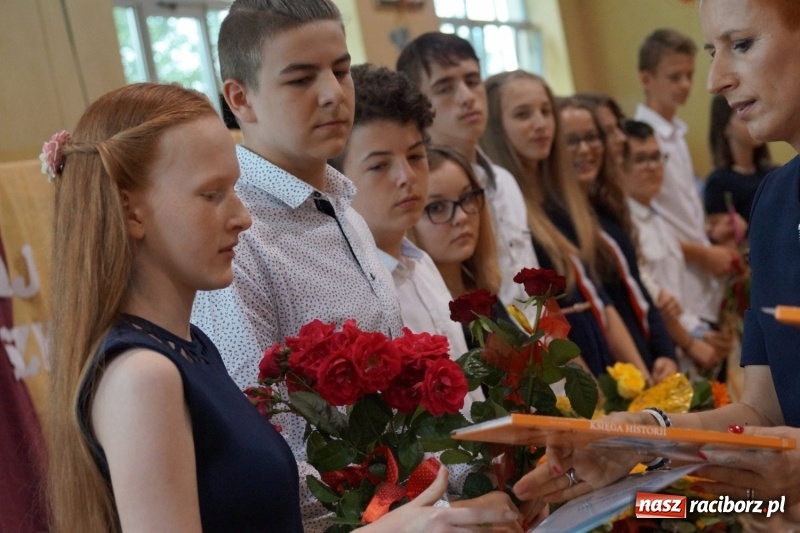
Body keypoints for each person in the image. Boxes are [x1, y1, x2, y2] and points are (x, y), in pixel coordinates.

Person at [190, 2, 522, 531]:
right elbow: (263, 451)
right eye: (301, 78)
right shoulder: (237, 237)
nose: (333, 94)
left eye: (341, 70)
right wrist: (431, 514)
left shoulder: (344, 209)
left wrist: (490, 478)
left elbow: (399, 417)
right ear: (240, 98)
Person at [512, 0, 800, 518]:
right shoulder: (775, 201)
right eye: (712, 52)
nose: (715, 81)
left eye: (741, 44)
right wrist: (643, 436)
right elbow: (763, 410)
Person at [45, 82, 306, 532]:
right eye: (211, 194)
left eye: (234, 189)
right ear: (131, 212)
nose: (242, 217)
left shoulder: (190, 345)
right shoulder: (144, 376)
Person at [480, 70, 651, 381]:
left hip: (600, 354)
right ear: (495, 126)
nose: (541, 124)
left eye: (546, 111)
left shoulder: (559, 200)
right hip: (564, 367)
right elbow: (530, 312)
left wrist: (642, 378)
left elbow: (600, 298)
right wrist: (584, 386)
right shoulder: (504, 214)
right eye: (523, 114)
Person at [396, 33, 540, 311]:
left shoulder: (504, 181)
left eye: (472, 81)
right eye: (445, 88)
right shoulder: (414, 189)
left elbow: (529, 276)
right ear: (418, 104)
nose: (467, 97)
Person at [557, 97, 678, 382]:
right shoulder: (560, 223)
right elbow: (602, 308)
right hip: (616, 373)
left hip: (647, 361)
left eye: (592, 137)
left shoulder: (604, 210)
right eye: (572, 141)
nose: (585, 149)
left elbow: (636, 288)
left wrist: (665, 352)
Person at [634, 28, 738, 343]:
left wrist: (709, 231)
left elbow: (678, 209)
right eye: (674, 77)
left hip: (702, 280)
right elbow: (644, 222)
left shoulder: (675, 134)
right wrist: (704, 253)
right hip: (676, 285)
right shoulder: (640, 142)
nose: (685, 85)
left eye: (689, 75)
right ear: (646, 79)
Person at [620, 119, 728, 372]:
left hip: (684, 349)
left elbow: (676, 297)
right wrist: (691, 341)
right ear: (618, 166)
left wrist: (701, 332)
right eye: (641, 159)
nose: (653, 166)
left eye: (657, 157)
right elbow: (652, 297)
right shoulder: (624, 226)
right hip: (658, 355)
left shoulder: (659, 220)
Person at [408, 145, 511, 350]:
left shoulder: (479, 290)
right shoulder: (418, 314)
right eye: (437, 207)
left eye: (467, 198)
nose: (462, 217)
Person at [705, 93, 773, 230]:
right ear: (725, 127)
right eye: (744, 117)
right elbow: (725, 236)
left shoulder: (774, 174)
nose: (754, 123)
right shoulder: (718, 183)